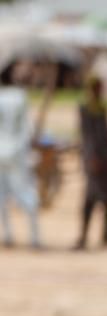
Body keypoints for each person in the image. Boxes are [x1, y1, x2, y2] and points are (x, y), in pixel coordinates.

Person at [74, 77, 107, 251]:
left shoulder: (102, 107)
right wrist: (92, 157)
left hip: (105, 157)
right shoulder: (85, 108)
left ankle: (105, 236)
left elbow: (106, 135)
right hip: (93, 159)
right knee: (90, 198)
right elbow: (88, 136)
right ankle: (84, 236)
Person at [0, 78, 41, 249]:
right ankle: (34, 236)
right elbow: (27, 129)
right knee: (25, 192)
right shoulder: (20, 97)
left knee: (2, 195)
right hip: (16, 153)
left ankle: (9, 234)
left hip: (2, 152)